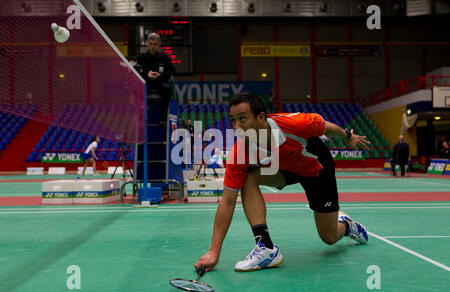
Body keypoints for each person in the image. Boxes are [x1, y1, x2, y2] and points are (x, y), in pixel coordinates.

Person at [194, 92, 371, 273]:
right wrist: (213, 252)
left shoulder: (296, 124)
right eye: (233, 120)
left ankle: (348, 225)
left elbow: (325, 127)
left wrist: (347, 135)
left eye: (242, 119)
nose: (237, 127)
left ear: (261, 117)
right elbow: (227, 201)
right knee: (248, 177)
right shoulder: (241, 151)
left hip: (316, 168)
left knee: (329, 237)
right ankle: (266, 247)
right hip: (284, 169)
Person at [135, 33, 175, 124]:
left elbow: (170, 72)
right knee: (138, 90)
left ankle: (162, 118)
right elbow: (138, 71)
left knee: (167, 89)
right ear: (147, 43)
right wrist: (147, 74)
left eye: (155, 44)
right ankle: (142, 117)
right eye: (151, 44)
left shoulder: (165, 57)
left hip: (160, 83)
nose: (153, 46)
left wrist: (160, 75)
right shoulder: (141, 57)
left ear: (159, 44)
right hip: (147, 83)